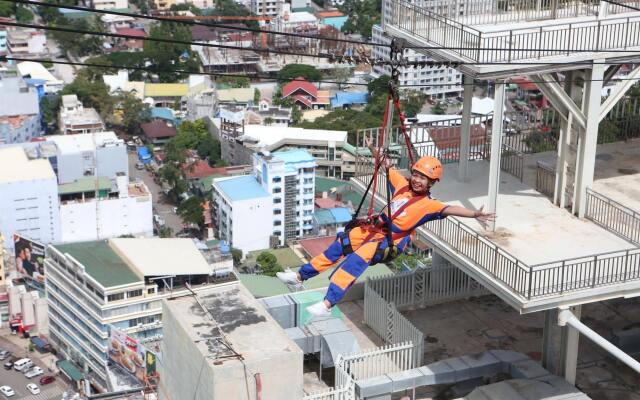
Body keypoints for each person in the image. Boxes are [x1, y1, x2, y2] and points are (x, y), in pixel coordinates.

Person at [277, 138, 496, 317]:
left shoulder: (429, 205)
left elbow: (450, 209)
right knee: (339, 245)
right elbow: (387, 166)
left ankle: (327, 303)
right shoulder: (402, 186)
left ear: (432, 183)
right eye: (417, 175)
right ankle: (300, 277)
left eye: (424, 179)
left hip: (389, 241)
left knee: (354, 262)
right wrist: (374, 149)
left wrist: (475, 214)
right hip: (373, 230)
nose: (419, 181)